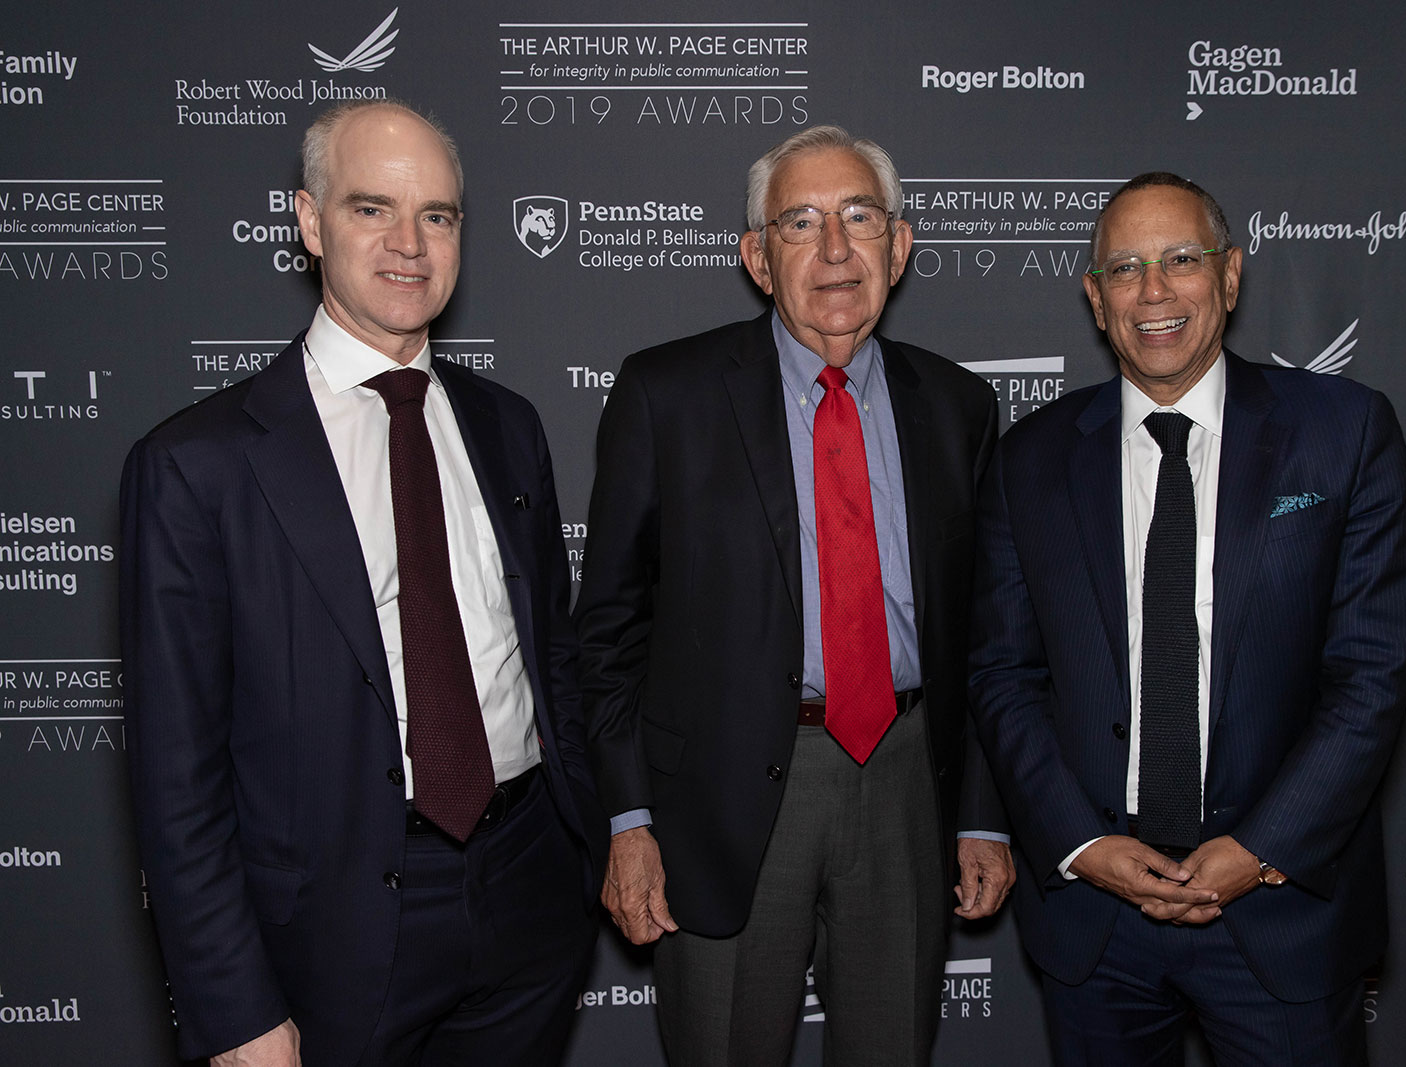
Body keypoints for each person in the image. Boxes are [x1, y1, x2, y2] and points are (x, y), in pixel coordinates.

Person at [119, 100, 604, 1067]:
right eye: (372, 209)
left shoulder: (509, 425)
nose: (410, 245)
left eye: (439, 215)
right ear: (308, 222)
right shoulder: (198, 464)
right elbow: (178, 779)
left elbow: (551, 650)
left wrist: (580, 845)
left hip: (529, 891)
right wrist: (234, 1009)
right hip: (329, 932)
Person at [574, 125, 1015, 1065]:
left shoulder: (959, 406)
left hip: (906, 779)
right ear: (756, 257)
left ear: (899, 246)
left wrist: (980, 810)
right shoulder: (667, 394)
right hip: (721, 800)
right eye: (800, 223)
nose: (835, 250)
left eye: (860, 217)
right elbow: (606, 630)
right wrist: (627, 817)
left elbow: (982, 634)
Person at [967, 172, 1406, 1064]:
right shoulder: (1030, 459)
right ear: (1096, 300)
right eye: (1126, 269)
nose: (1154, 291)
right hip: (1096, 920)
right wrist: (1081, 842)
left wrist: (1257, 849)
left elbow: (1368, 674)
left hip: (1279, 907)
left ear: (1230, 275)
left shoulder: (1345, 430)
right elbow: (1004, 674)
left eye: (1181, 259)